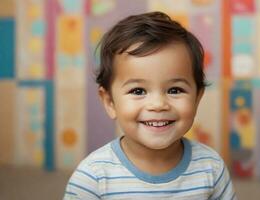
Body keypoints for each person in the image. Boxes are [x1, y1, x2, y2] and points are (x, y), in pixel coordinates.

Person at [64, 11, 236, 200]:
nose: (158, 105)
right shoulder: (92, 177)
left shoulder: (211, 167)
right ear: (110, 102)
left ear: (197, 99)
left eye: (174, 90)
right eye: (138, 91)